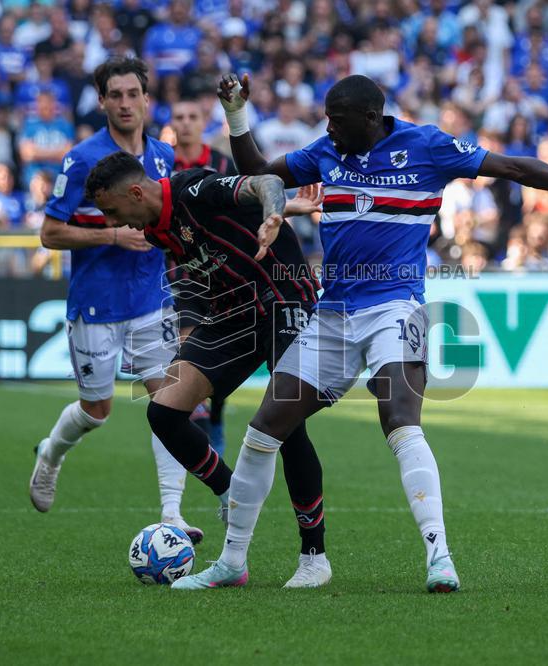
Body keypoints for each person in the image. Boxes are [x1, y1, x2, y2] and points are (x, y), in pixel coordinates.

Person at [172, 73, 548, 593]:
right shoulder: (325, 152)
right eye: (327, 120)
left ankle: (440, 558)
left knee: (400, 421)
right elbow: (260, 174)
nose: (328, 129)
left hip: (394, 307)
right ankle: (232, 563)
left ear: (371, 118)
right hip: (333, 313)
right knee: (263, 430)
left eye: (337, 120)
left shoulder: (426, 146)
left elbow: (512, 167)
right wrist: (236, 114)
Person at [85, 152, 332, 588]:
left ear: (136, 193)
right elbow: (196, 274)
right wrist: (189, 330)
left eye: (112, 211)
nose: (113, 223)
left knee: (287, 424)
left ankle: (314, 557)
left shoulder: (194, 190)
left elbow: (266, 183)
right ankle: (231, 493)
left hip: (283, 297)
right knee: (163, 411)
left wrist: (276, 213)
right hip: (232, 315)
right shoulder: (155, 229)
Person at [29, 57, 200, 543]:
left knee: (170, 404)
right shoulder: (82, 159)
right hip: (96, 304)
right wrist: (111, 235)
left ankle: (173, 515)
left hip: (151, 300)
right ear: (102, 101)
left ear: (146, 99)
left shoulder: (163, 156)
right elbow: (49, 233)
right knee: (95, 412)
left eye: (133, 94)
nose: (125, 103)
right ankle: (51, 453)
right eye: (116, 95)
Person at [169, 96, 238, 455]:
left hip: (221, 273)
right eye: (179, 117)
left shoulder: (222, 163)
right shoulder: (164, 165)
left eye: (192, 116)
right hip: (182, 274)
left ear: (202, 122)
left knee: (220, 359)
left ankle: (215, 416)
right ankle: (197, 434)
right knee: (190, 353)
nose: (185, 123)